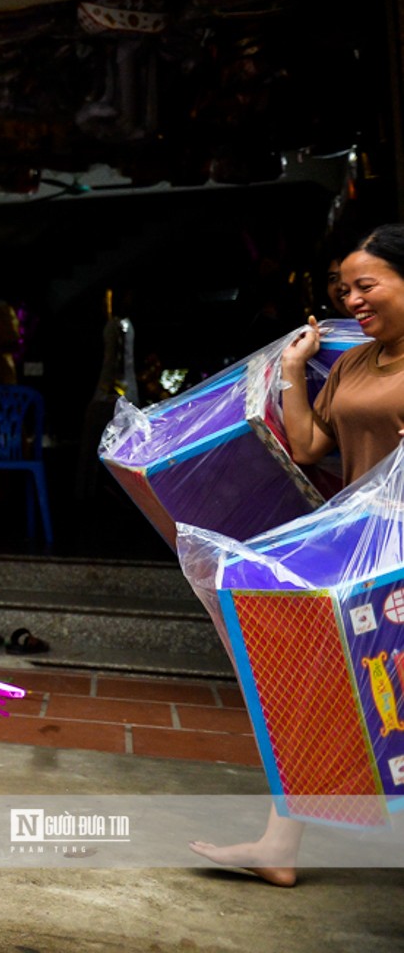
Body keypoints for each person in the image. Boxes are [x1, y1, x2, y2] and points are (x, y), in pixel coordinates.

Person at [189, 222, 404, 885]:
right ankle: (280, 844)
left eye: (366, 285)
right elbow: (310, 446)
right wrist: (290, 369)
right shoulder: (354, 363)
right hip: (362, 550)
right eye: (344, 290)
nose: (353, 300)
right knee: (315, 684)